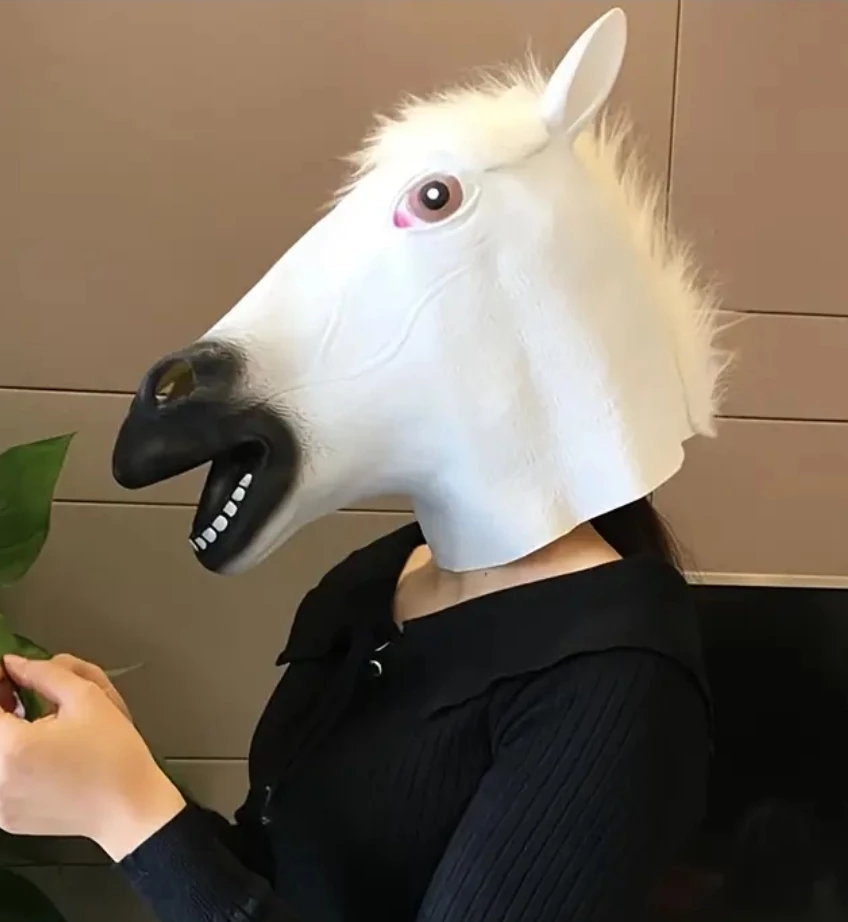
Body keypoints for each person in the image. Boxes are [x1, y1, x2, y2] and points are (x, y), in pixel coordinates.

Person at [0, 9, 726, 921]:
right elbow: (287, 880)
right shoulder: (381, 581)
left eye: (435, 201)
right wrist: (115, 774)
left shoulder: (614, 687)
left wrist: (128, 814)